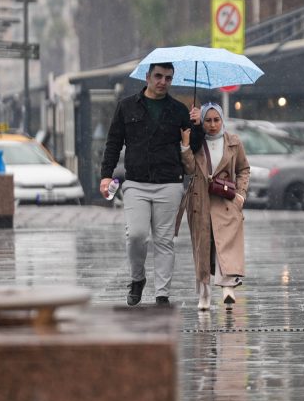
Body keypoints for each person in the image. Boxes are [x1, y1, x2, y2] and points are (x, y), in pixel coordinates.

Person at [100, 62, 203, 307]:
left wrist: (197, 124)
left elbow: (194, 147)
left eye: (168, 78)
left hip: (170, 182)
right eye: (158, 76)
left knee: (164, 240)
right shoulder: (126, 106)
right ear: (147, 77)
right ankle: (137, 279)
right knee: (136, 235)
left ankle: (162, 294)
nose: (162, 82)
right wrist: (106, 175)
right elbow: (113, 142)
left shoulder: (179, 110)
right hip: (136, 182)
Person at [177, 102, 250, 311]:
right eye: (208, 120)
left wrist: (240, 195)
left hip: (226, 200)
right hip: (200, 200)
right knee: (203, 247)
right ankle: (204, 293)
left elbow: (244, 169)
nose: (212, 125)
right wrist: (186, 146)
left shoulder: (233, 142)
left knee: (225, 243)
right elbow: (189, 169)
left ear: (222, 120)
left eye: (216, 120)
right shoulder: (197, 141)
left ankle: (228, 286)